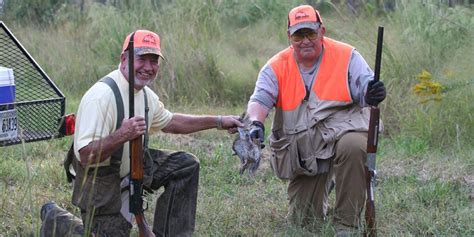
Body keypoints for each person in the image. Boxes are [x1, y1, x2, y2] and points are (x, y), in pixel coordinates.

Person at [43, 29, 242, 237]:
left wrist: (219, 121)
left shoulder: (145, 95)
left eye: (154, 60)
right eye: (141, 59)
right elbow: (85, 155)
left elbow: (171, 121)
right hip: (100, 179)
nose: (148, 67)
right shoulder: (101, 98)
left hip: (131, 168)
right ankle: (55, 219)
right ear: (124, 59)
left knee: (185, 165)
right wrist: (122, 134)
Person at [245, 5, 386, 236]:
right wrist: (256, 123)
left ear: (322, 31)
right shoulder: (276, 66)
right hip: (307, 150)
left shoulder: (347, 55)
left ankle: (346, 225)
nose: (305, 40)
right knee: (303, 223)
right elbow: (260, 99)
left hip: (344, 133)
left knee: (353, 147)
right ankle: (326, 184)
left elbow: (365, 87)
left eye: (310, 33)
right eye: (298, 35)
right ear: (289, 36)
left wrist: (372, 93)